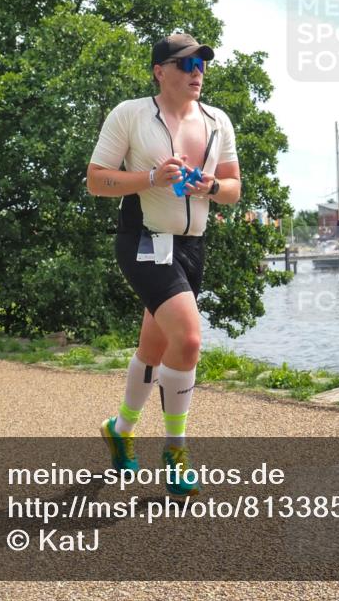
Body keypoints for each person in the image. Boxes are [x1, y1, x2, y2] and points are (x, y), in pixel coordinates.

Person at [86, 33, 240, 497]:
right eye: (186, 63)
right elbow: (96, 180)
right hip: (144, 241)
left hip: (192, 248)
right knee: (189, 339)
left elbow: (233, 188)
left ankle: (119, 428)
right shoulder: (130, 114)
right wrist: (151, 178)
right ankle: (175, 452)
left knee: (153, 350)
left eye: (202, 64)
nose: (197, 71)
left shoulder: (218, 121)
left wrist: (210, 188)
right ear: (159, 70)